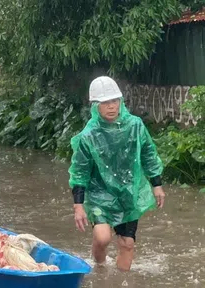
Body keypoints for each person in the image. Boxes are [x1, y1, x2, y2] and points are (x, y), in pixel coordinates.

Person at [68, 76, 165, 271]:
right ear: (96, 105)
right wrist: (78, 206)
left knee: (127, 244)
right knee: (103, 238)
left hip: (128, 191)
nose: (111, 106)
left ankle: (121, 281)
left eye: (114, 101)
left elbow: (148, 154)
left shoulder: (135, 126)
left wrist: (157, 185)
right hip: (99, 194)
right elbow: (80, 171)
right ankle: (100, 268)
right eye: (105, 102)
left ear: (121, 101)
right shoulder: (89, 135)